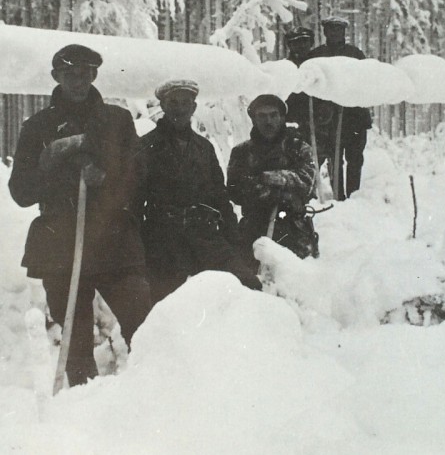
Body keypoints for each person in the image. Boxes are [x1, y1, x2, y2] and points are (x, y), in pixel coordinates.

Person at [7, 44, 152, 387]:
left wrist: (106, 177)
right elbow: (21, 192)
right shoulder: (37, 127)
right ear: (56, 77)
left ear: (95, 75)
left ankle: (155, 395)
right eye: (69, 74)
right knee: (74, 333)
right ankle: (81, 407)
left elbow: (139, 174)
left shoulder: (117, 120)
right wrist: (54, 168)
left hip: (113, 238)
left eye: (84, 74)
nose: (78, 81)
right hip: (61, 242)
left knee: (142, 320)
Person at [135, 80, 259, 304]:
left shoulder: (204, 148)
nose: (180, 108)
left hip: (203, 234)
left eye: (186, 103)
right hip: (163, 239)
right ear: (162, 106)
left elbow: (220, 196)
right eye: (173, 102)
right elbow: (133, 200)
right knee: (164, 304)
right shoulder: (145, 146)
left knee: (246, 284)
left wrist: (234, 239)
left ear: (194, 107)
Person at [227, 94, 318, 261]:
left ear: (282, 118)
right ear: (254, 120)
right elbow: (235, 190)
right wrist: (279, 188)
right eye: (261, 116)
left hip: (293, 228)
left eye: (273, 115)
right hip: (254, 228)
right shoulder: (241, 152)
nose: (268, 121)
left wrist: (271, 178)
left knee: (297, 278)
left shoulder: (299, 148)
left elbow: (306, 184)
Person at [307, 16, 372, 199]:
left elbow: (365, 81)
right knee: (333, 159)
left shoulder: (355, 54)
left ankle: (353, 196)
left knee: (355, 158)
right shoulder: (316, 56)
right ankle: (338, 196)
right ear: (325, 32)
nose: (334, 33)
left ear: (344, 32)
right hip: (328, 119)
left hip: (355, 117)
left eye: (338, 29)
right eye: (330, 29)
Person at [282, 27, 316, 138]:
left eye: (305, 41)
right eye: (296, 42)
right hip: (292, 122)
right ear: (290, 45)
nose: (301, 46)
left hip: (319, 122)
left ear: (311, 43)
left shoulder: (318, 66)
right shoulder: (285, 68)